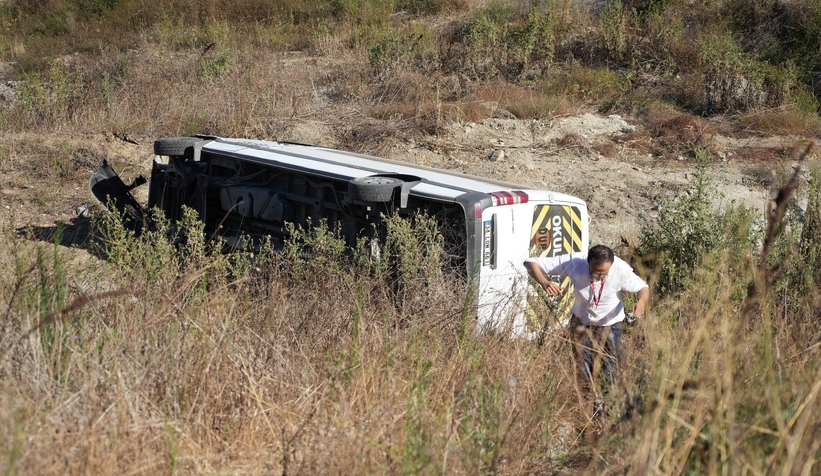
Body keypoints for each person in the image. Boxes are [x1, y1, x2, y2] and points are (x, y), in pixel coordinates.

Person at [523, 245, 650, 388]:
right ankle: (587, 405)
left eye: (603, 274)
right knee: (583, 371)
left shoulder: (621, 269)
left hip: (611, 326)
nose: (598, 278)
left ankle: (605, 406)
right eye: (595, 273)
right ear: (588, 262)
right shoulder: (576, 262)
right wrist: (544, 283)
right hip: (581, 323)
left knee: (609, 372)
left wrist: (641, 302)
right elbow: (530, 262)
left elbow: (642, 288)